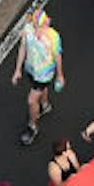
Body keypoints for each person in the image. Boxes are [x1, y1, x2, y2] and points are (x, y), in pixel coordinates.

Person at [12, 11, 65, 146]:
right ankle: (45, 105)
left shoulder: (53, 36)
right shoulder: (28, 29)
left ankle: (32, 126)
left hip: (44, 74)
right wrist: (18, 69)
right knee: (40, 91)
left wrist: (59, 75)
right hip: (31, 68)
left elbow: (57, 56)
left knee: (31, 100)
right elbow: (23, 48)